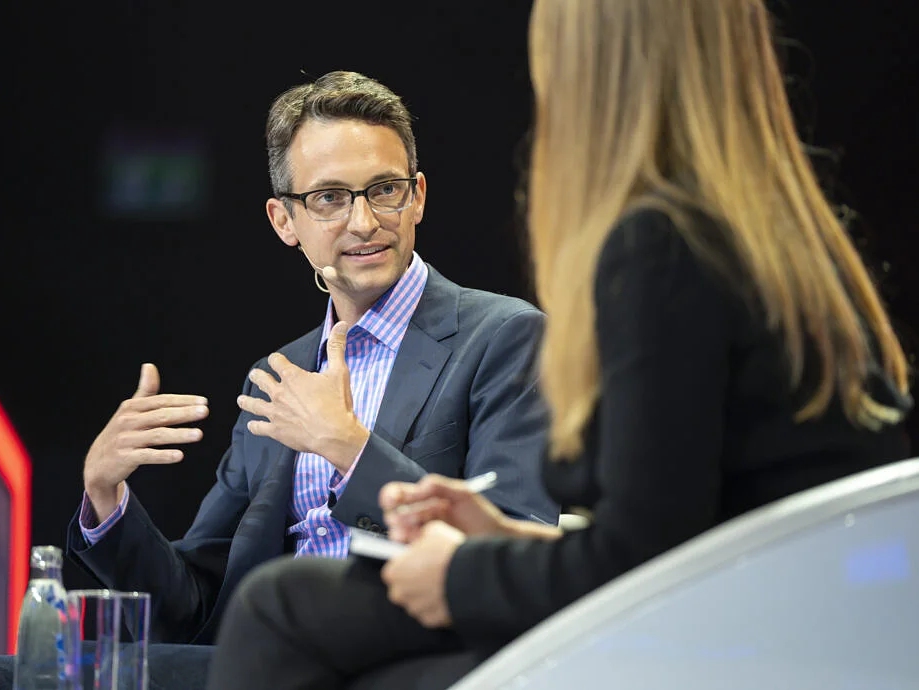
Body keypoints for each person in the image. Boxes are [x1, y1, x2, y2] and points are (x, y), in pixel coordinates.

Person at [204, 1, 914, 688]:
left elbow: (641, 564)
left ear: (591, 66)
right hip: (809, 627)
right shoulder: (780, 239)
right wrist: (499, 540)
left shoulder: (658, 250)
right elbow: (672, 533)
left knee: (285, 606)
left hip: (746, 644)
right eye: (329, 198)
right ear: (284, 218)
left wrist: (457, 572)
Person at [0, 71, 557, 690]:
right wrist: (105, 496)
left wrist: (349, 449)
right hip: (258, 660)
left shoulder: (500, 338)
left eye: (383, 190)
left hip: (401, 663)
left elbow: (520, 560)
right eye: (329, 198)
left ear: (416, 197)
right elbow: (192, 606)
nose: (362, 222)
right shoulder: (280, 375)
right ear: (284, 221)